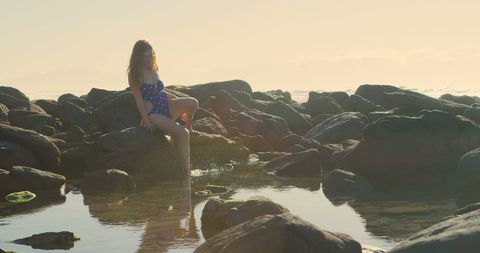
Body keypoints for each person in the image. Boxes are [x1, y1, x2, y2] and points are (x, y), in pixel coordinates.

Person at [127, 39, 199, 175]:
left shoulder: (153, 71)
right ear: (138, 57)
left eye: (150, 55)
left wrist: (177, 101)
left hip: (167, 106)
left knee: (193, 102)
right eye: (145, 56)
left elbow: (161, 92)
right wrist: (147, 121)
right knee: (183, 134)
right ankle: (186, 171)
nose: (149, 59)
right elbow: (139, 100)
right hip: (154, 113)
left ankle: (189, 125)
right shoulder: (135, 75)